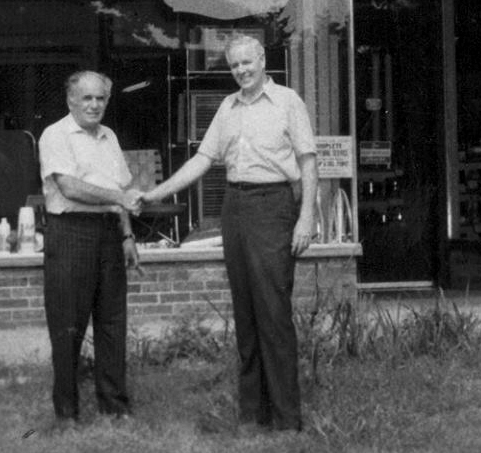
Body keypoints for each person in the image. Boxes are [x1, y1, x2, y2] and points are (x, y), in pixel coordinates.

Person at [140, 33, 317, 433]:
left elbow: (308, 161)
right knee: (246, 312)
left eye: (247, 62)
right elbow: (203, 159)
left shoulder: (288, 101)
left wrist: (306, 217)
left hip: (273, 204)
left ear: (262, 60)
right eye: (234, 65)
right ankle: (252, 414)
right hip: (234, 206)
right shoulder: (227, 106)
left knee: (273, 311)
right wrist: (155, 194)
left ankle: (287, 418)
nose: (241, 71)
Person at [37, 72, 143, 423]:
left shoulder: (109, 137)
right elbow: (69, 187)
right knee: (68, 326)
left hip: (109, 234)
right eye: (87, 98)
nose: (94, 105)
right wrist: (119, 198)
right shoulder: (55, 135)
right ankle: (67, 414)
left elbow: (119, 191)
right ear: (71, 100)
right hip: (71, 233)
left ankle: (114, 407)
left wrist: (127, 236)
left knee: (112, 322)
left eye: (100, 98)